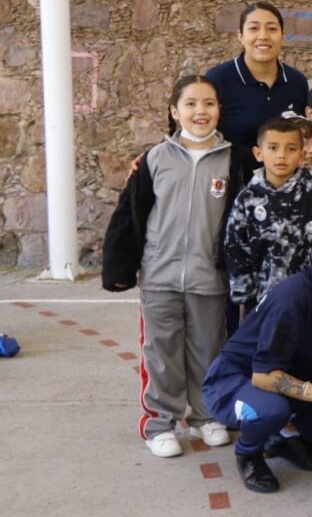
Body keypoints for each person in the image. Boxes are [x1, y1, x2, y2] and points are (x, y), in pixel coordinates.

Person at [102, 75, 248, 457]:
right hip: (160, 275)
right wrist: (118, 268)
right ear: (174, 110)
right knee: (161, 353)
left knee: (208, 350)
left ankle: (205, 416)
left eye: (209, 103)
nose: (200, 111)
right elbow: (130, 215)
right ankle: (160, 423)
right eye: (191, 104)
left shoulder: (235, 160)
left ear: (219, 110)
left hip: (209, 277)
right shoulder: (154, 159)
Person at [201, 221, 312, 494]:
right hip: (239, 379)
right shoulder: (292, 297)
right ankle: (248, 452)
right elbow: (262, 376)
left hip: (291, 372)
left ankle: (286, 436)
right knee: (271, 409)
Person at [223, 117, 312, 312]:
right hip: (260, 298)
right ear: (258, 153)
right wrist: (246, 293)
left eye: (291, 149)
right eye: (273, 148)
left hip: (307, 296)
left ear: (301, 155)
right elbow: (235, 246)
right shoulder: (248, 197)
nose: (282, 155)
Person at [205, 2, 309, 171]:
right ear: (240, 36)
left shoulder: (297, 82)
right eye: (253, 28)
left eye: (272, 29)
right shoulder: (217, 80)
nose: (263, 36)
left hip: (285, 182)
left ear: (283, 36)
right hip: (231, 179)